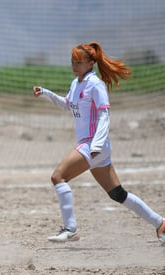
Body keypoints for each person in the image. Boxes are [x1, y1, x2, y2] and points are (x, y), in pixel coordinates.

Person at [32, 41, 165, 244]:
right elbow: (67, 105)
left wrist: (96, 145)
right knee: (117, 194)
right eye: (72, 61)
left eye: (78, 62)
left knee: (58, 177)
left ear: (91, 63)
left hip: (93, 145)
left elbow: (104, 115)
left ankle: (71, 229)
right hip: (95, 148)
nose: (74, 65)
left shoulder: (96, 85)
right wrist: (46, 92)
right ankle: (160, 223)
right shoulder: (76, 83)